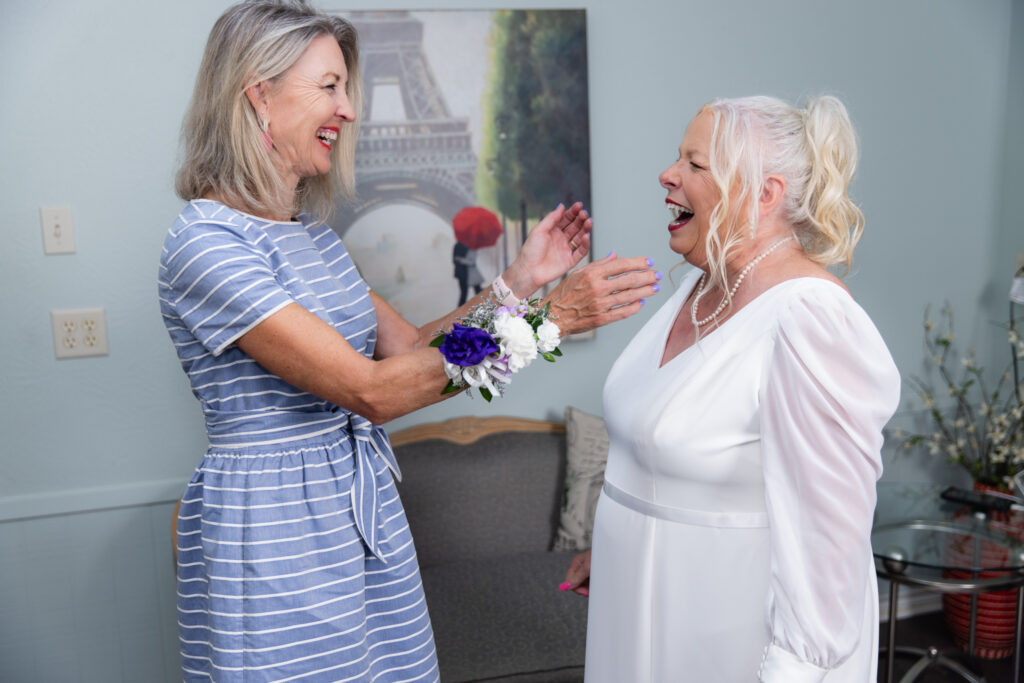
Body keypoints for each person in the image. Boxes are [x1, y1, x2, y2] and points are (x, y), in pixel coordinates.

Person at [159, 2, 659, 680]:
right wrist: (549, 324)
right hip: (277, 531)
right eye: (330, 86)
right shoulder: (206, 242)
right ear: (259, 94)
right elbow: (372, 390)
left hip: (361, 518)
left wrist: (517, 282)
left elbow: (413, 349)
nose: (351, 108)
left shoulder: (314, 239)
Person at [561, 95, 900, 682]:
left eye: (696, 165)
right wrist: (620, 542)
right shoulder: (696, 288)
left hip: (727, 631)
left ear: (764, 194)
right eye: (678, 159)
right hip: (637, 609)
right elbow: (658, 451)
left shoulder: (810, 320)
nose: (667, 175)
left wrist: (792, 671)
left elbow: (828, 545)